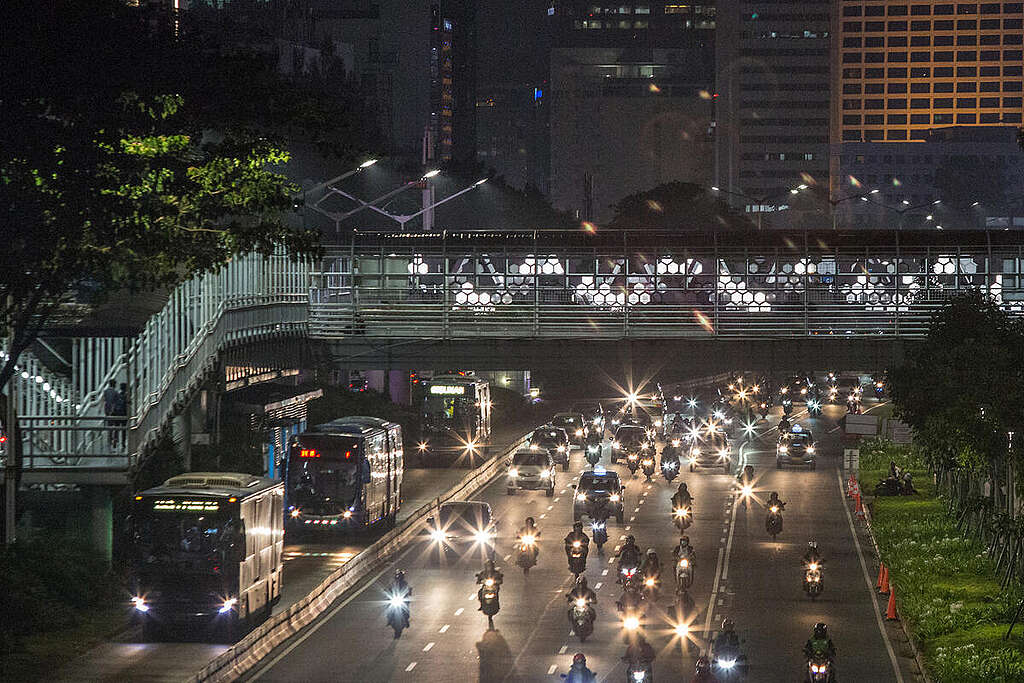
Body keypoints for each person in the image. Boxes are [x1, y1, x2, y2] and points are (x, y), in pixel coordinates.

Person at [102, 379, 120, 446]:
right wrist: (112, 410)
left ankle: (109, 439)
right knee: (116, 425)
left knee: (109, 424)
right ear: (114, 385)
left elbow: (103, 400)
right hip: (114, 410)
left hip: (106, 409)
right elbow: (115, 403)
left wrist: (100, 409)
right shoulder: (115, 392)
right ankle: (115, 438)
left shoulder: (106, 391)